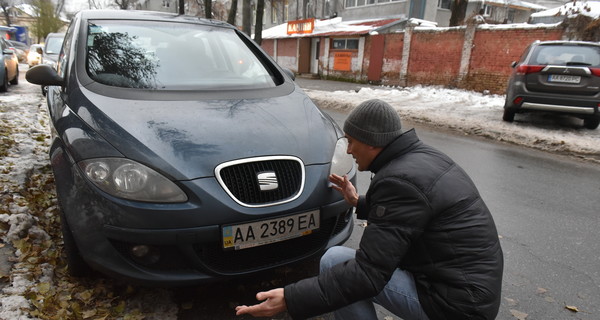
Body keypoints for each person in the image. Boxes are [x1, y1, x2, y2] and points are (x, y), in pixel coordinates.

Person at [235, 99, 504, 320]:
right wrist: (359, 202)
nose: (349, 150)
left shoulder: (399, 181)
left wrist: (291, 299)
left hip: (458, 308)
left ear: (372, 141)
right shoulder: (421, 157)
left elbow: (368, 275)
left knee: (333, 263)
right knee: (338, 260)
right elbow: (412, 215)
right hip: (469, 290)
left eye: (352, 141)